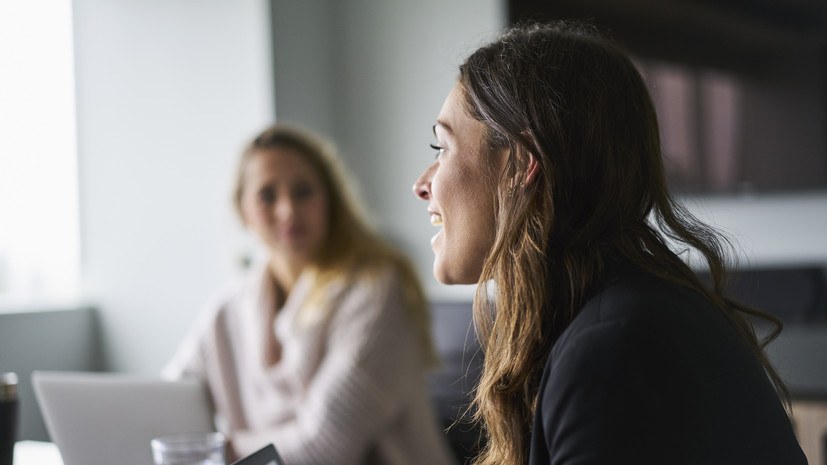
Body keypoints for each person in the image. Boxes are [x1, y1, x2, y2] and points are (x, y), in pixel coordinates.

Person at [413, 21, 807, 465]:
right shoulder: (630, 314)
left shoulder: (612, 348)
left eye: (441, 147)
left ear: (520, 163)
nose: (421, 185)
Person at [165, 124, 456, 465]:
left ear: (329, 199)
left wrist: (215, 449)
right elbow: (167, 405)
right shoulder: (227, 310)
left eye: (303, 191)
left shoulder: (377, 290)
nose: (288, 210)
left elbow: (324, 448)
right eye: (267, 196)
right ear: (243, 211)